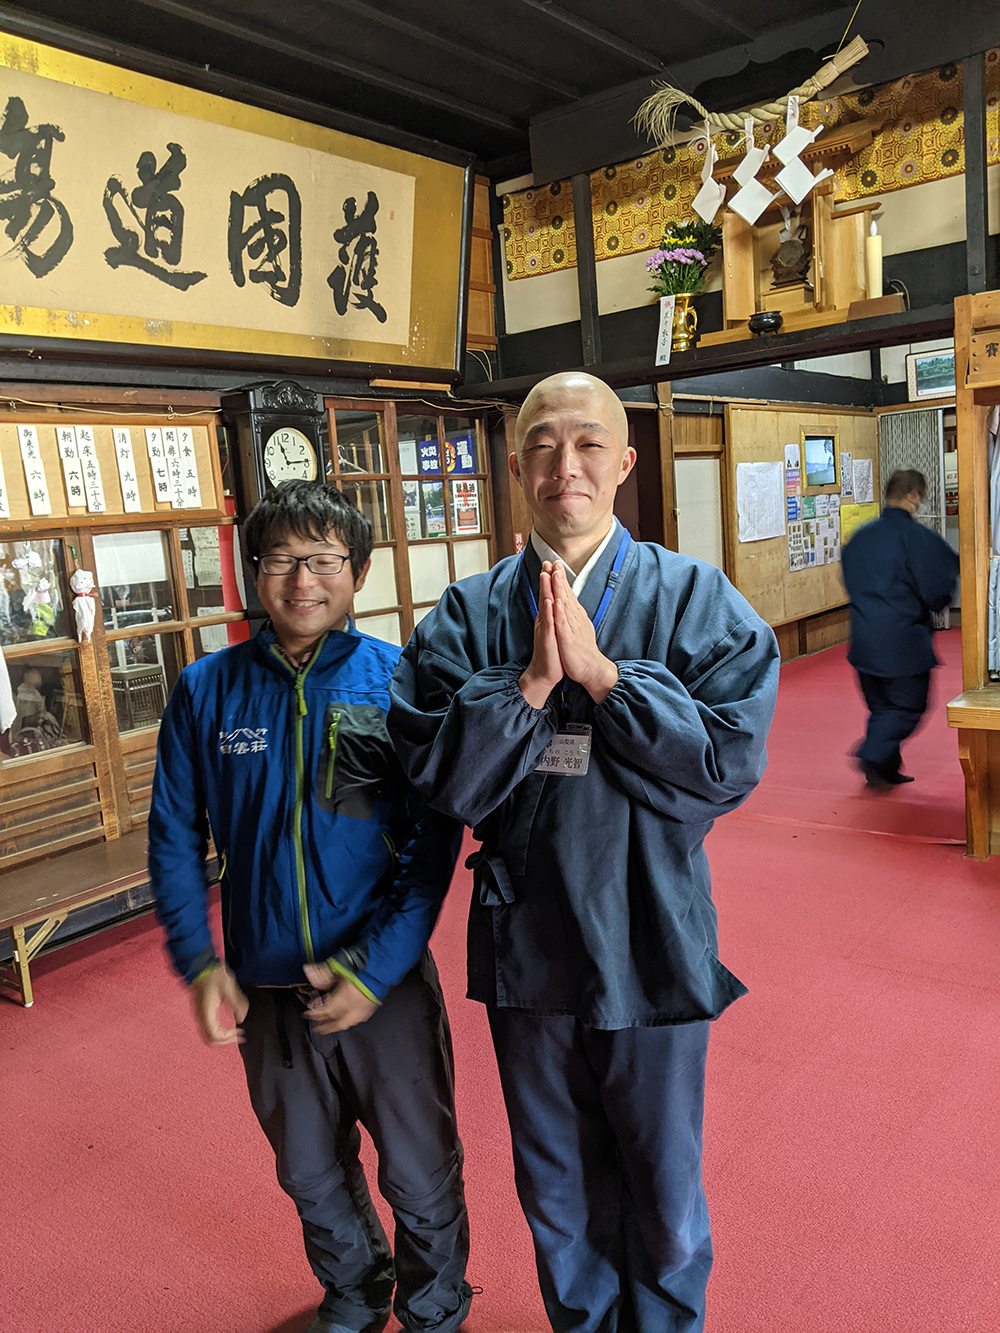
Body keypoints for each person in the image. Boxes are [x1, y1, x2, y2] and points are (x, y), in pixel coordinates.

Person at [388, 371, 779, 1333]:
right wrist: (526, 686)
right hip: (529, 936)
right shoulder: (467, 614)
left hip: (650, 927)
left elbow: (726, 764)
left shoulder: (696, 598)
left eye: (590, 443)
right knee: (555, 1176)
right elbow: (439, 778)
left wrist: (606, 678)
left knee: (662, 1175)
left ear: (625, 463)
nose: (568, 465)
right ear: (517, 465)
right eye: (545, 445)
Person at [148, 480, 472, 1333]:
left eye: (322, 558)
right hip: (267, 987)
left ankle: (436, 1307)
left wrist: (375, 968)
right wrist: (200, 961)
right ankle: (356, 1293)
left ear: (356, 570)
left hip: (384, 983)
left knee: (418, 1166)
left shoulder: (396, 681)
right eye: (280, 558)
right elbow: (175, 837)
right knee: (309, 1170)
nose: (301, 580)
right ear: (253, 572)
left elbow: (431, 846)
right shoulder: (205, 691)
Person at [841, 467, 960, 790]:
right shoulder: (919, 540)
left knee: (881, 706)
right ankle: (872, 753)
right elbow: (938, 590)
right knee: (908, 706)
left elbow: (849, 581)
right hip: (902, 642)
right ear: (913, 496)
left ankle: (883, 770)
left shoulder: (860, 537)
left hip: (863, 638)